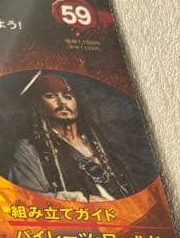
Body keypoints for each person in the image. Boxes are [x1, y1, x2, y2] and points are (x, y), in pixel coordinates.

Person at [9, 72, 135, 200]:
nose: (62, 102)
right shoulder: (30, 148)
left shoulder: (98, 144)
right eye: (50, 96)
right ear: (37, 104)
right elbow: (29, 198)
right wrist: (83, 200)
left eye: (68, 97)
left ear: (77, 104)